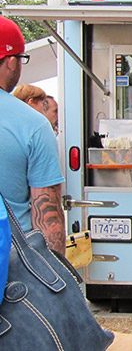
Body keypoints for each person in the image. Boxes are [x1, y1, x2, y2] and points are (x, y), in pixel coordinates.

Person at [0, 16, 65, 254]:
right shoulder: (33, 124)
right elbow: (48, 219)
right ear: (10, 62)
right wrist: (56, 280)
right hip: (11, 267)